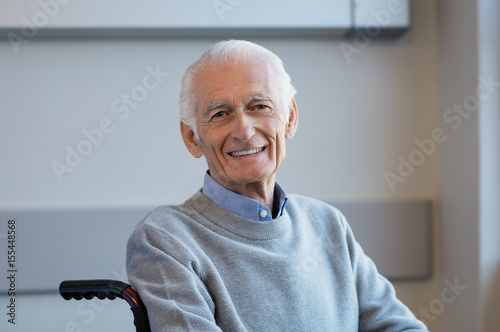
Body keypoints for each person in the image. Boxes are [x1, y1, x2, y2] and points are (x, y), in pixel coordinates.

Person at [126, 39, 428, 331]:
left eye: (259, 106)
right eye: (220, 114)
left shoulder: (327, 223)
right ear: (192, 137)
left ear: (290, 118)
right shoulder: (165, 240)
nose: (244, 130)